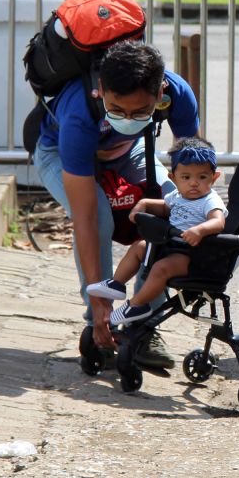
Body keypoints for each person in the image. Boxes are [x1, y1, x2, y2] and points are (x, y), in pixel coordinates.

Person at [33, 41, 200, 369]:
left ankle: (144, 322)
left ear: (160, 92)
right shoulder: (79, 113)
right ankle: (99, 319)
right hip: (60, 153)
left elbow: (195, 168)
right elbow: (86, 218)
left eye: (140, 112)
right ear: (100, 90)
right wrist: (99, 305)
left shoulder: (177, 94)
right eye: (117, 110)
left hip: (128, 150)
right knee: (100, 216)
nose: (128, 117)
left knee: (172, 208)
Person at [85, 137, 226, 325]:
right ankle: (117, 283)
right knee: (139, 246)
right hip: (172, 246)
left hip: (194, 255)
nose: (194, 183)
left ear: (214, 177)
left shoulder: (209, 200)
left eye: (202, 177)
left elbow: (219, 222)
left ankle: (137, 305)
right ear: (173, 178)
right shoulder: (177, 195)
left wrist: (200, 230)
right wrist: (143, 204)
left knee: (161, 268)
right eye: (186, 177)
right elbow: (165, 208)